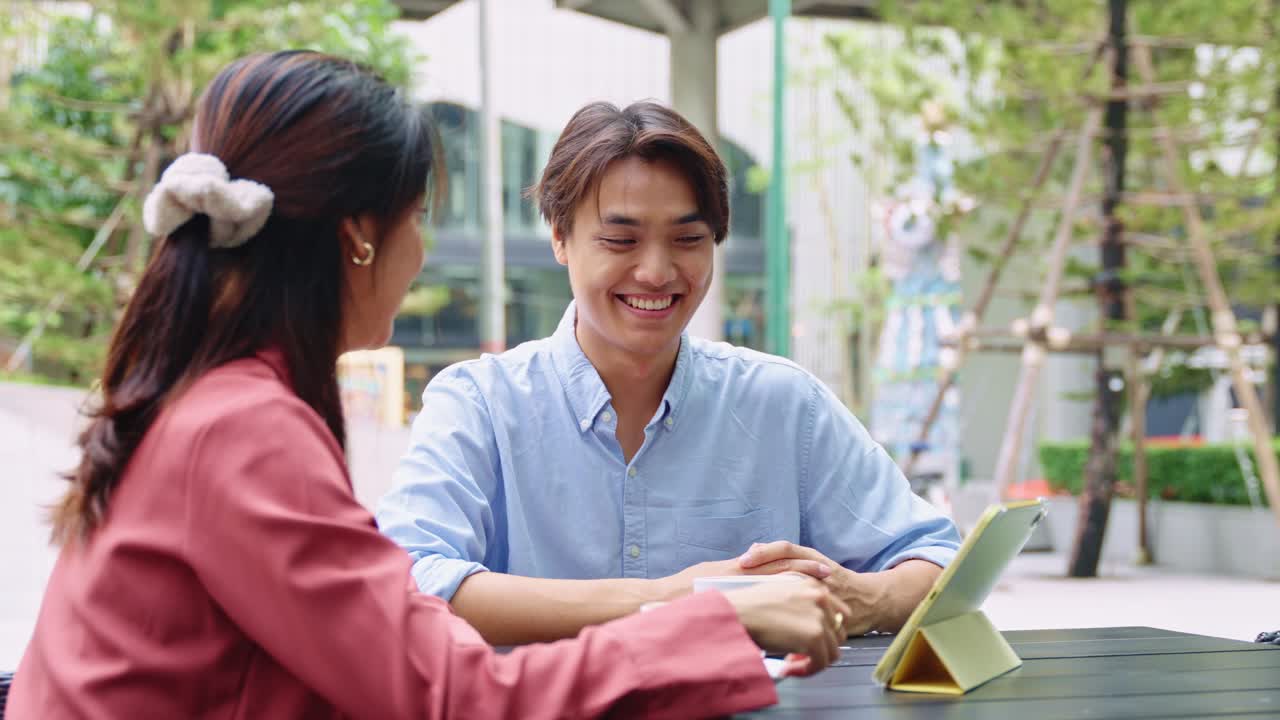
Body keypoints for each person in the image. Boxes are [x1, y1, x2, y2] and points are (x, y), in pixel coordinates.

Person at [8, 52, 850, 719]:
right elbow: (451, 691)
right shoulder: (247, 428)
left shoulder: (219, 400)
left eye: (688, 239)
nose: (656, 272)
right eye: (416, 219)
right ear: (358, 240)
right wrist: (710, 615)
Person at [376, 100, 962, 647]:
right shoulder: (478, 404)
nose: (657, 272)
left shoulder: (782, 403)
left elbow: (936, 556)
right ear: (559, 236)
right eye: (620, 239)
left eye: (688, 239)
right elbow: (412, 580)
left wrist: (861, 597)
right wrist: (671, 602)